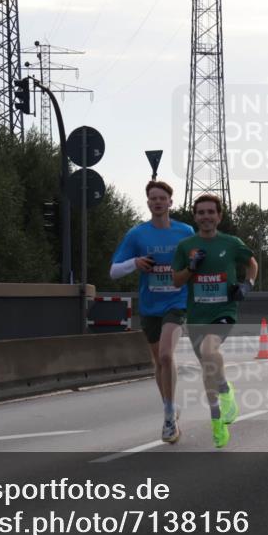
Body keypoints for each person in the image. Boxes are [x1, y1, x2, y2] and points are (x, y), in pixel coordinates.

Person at [110, 180, 195, 444]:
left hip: (177, 302)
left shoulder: (185, 231)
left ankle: (169, 418)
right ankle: (170, 406)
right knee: (158, 362)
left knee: (167, 356)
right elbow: (113, 271)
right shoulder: (137, 235)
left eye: (162, 198)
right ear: (148, 203)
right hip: (150, 305)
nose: (157, 202)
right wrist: (135, 263)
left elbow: (197, 262)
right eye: (153, 198)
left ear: (170, 202)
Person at [173, 194, 258, 449]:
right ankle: (217, 420)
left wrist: (247, 285)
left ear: (219, 216)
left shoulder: (231, 243)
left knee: (211, 350)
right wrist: (191, 267)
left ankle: (226, 392)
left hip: (224, 311)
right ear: (195, 217)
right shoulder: (186, 245)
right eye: (201, 212)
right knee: (208, 368)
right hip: (197, 314)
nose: (206, 216)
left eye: (211, 212)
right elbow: (176, 281)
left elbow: (251, 264)